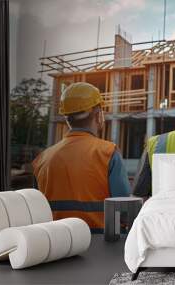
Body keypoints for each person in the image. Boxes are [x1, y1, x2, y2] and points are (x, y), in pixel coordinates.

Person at [33, 82, 131, 232]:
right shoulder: (108, 152)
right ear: (98, 115)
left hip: (55, 244)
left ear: (67, 119)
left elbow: (35, 211)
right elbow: (125, 211)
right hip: (101, 243)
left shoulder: (42, 159)